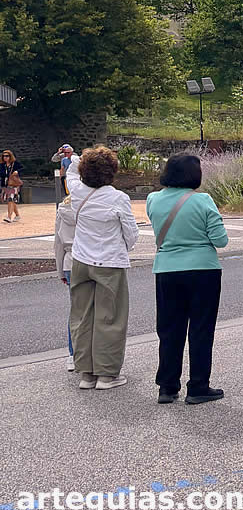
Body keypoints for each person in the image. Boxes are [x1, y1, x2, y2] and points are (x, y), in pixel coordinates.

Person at [146, 152, 229, 405]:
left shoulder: (153, 200)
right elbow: (221, 240)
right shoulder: (203, 201)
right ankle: (198, 386)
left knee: (169, 329)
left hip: (166, 269)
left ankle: (167, 386)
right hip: (203, 269)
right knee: (201, 329)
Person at [67, 148, 139, 390]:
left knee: (81, 316)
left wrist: (75, 156)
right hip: (109, 261)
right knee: (110, 317)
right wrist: (121, 247)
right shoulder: (118, 198)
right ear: (112, 171)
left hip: (80, 260)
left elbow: (70, 171)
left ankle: (86, 373)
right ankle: (107, 374)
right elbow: (131, 234)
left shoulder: (77, 191)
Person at [53, 194, 77, 371]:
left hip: (69, 260)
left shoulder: (63, 209)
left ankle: (72, 354)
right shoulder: (91, 205)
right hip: (90, 258)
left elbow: (58, 243)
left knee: (75, 311)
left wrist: (60, 270)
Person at [1, 148, 22, 221]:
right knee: (12, 200)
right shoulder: (2, 165)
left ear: (10, 156)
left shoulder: (15, 163)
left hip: (14, 184)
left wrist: (17, 171)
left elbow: (22, 168)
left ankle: (9, 217)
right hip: (7, 184)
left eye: (7, 156)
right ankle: (17, 215)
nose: (5, 157)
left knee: (10, 199)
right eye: (4, 156)